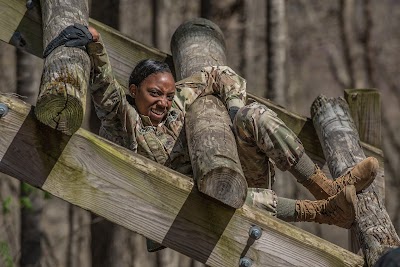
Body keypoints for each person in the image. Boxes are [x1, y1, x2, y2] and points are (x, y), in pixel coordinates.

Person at [42, 24, 379, 251]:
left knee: (253, 115)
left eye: (168, 93)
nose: (163, 101)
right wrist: (96, 47)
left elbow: (218, 75)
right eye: (154, 93)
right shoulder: (124, 122)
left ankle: (327, 187)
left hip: (231, 169)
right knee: (225, 194)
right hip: (182, 204)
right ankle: (323, 211)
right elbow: (106, 96)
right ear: (134, 91)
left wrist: (233, 112)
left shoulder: (176, 101)